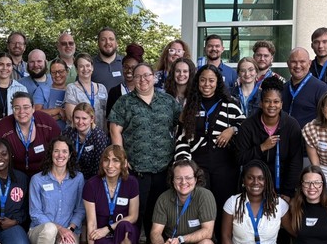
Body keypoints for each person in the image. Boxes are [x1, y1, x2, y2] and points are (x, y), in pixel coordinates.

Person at [109, 62, 182, 231]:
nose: (143, 79)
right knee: (136, 210)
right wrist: (122, 158)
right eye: (138, 76)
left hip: (164, 166)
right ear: (133, 79)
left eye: (147, 75)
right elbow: (114, 129)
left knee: (158, 209)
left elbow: (182, 122)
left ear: (154, 77)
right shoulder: (124, 102)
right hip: (136, 168)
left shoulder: (167, 101)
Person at [174, 66, 244, 215]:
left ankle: (222, 237)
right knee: (200, 207)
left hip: (225, 166)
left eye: (211, 80)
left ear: (218, 82)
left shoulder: (229, 104)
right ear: (197, 82)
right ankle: (202, 238)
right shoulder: (190, 106)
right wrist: (185, 164)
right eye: (203, 80)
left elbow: (244, 127)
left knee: (224, 207)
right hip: (198, 166)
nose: (207, 84)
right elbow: (181, 138)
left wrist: (232, 130)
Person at [142, 159, 217, 244]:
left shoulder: (205, 196)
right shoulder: (164, 198)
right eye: (178, 178)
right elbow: (155, 232)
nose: (183, 182)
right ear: (172, 180)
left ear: (196, 178)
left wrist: (181, 239)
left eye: (188, 177)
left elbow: (208, 231)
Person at [234, 76, 303, 200]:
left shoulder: (291, 125)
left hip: (283, 188)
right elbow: (240, 158)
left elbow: (295, 163)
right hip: (254, 187)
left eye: (276, 102)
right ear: (261, 103)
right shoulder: (248, 126)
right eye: (267, 101)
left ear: (281, 104)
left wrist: (287, 193)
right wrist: (262, 147)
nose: (272, 105)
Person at [27, 138, 86, 244]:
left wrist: (69, 229)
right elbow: (35, 212)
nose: (60, 155)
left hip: (68, 231)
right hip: (41, 231)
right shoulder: (37, 179)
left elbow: (80, 209)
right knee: (49, 229)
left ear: (70, 155)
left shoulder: (78, 178)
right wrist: (59, 229)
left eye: (64, 151)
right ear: (51, 154)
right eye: (56, 151)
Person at [83, 145, 140, 244]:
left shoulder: (131, 183)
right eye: (106, 160)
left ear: (124, 163)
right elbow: (91, 223)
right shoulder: (91, 185)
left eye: (116, 160)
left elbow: (133, 216)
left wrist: (108, 228)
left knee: (125, 225)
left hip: (123, 232)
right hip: (100, 234)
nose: (110, 165)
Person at [0, 91, 62, 177]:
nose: (21, 112)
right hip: (14, 175)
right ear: (12, 109)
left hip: (44, 174)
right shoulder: (3, 126)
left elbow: (60, 149)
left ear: (33, 108)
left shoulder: (46, 122)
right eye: (17, 108)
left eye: (26, 107)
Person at [282, 46, 327, 127]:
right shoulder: (283, 88)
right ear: (288, 64)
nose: (298, 66)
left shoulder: (321, 88)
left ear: (309, 63)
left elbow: (326, 118)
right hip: (284, 137)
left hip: (308, 138)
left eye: (302, 61)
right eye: (294, 62)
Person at [64, 102, 109, 181]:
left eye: (84, 118)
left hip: (91, 178)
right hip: (69, 176)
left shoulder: (99, 137)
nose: (80, 122)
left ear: (91, 119)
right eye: (77, 118)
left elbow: (99, 166)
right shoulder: (68, 133)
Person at [65, 52, 109, 130]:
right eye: (81, 66)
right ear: (76, 70)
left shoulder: (102, 88)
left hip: (101, 137)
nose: (85, 69)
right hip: (80, 137)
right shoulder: (71, 88)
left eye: (88, 65)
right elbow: (70, 116)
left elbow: (106, 115)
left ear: (92, 67)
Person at [34, 58, 70, 128]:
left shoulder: (72, 90)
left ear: (67, 71)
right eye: (53, 72)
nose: (57, 75)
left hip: (68, 134)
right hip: (46, 132)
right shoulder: (41, 89)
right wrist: (58, 110)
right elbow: (36, 113)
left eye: (61, 71)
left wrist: (56, 115)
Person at [106, 53, 141, 117]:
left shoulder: (145, 91)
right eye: (126, 67)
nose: (129, 70)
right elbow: (109, 119)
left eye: (133, 68)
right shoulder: (114, 92)